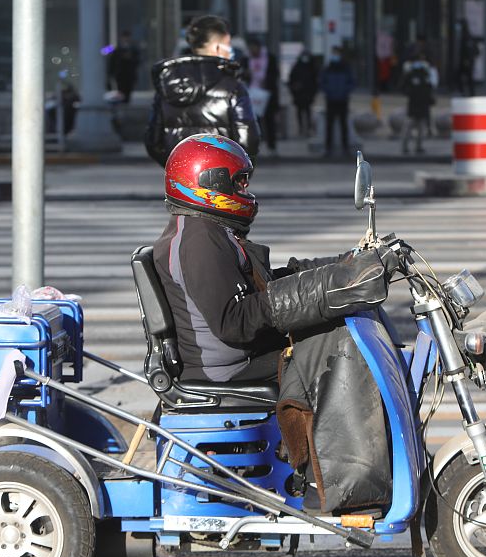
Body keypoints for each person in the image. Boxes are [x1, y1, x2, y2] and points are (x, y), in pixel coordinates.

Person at [152, 134, 397, 510]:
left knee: (336, 321)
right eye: (238, 183)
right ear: (208, 183)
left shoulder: (208, 230)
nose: (245, 191)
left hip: (237, 355)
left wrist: (345, 264)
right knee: (337, 343)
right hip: (228, 367)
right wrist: (321, 292)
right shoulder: (197, 240)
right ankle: (335, 482)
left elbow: (267, 283)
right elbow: (235, 321)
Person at [145, 15, 260, 166]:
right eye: (228, 45)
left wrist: (179, 168)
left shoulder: (167, 85)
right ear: (218, 47)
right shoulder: (232, 87)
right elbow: (248, 140)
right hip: (224, 173)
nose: (231, 52)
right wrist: (236, 172)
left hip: (181, 175)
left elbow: (153, 141)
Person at [318, 47, 355, 157]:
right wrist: (328, 91)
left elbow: (352, 82)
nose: (335, 56)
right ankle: (328, 148)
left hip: (343, 99)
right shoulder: (328, 68)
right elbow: (322, 82)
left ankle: (345, 148)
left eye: (337, 53)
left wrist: (345, 91)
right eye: (334, 53)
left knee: (344, 125)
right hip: (331, 99)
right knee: (329, 125)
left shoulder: (346, 68)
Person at [246, 40, 281, 155]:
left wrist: (267, 81)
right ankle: (256, 146)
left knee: (269, 121)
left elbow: (275, 75)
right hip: (251, 93)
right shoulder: (246, 59)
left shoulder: (270, 58)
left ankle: (272, 146)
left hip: (267, 94)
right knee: (255, 123)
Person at [401, 54, 437, 154]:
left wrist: (430, 100)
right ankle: (405, 146)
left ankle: (418, 146)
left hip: (422, 104)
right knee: (409, 126)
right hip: (414, 104)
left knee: (421, 128)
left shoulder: (426, 73)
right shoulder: (411, 73)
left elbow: (429, 88)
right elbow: (403, 87)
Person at [287, 50, 318, 138]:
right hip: (298, 94)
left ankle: (308, 128)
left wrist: (313, 92)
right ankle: (301, 128)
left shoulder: (312, 67)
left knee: (308, 111)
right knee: (299, 111)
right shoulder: (297, 67)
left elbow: (315, 82)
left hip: (308, 93)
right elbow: (291, 80)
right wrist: (294, 89)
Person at [106, 30, 139, 104]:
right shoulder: (117, 48)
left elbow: (137, 60)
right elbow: (109, 56)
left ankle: (126, 102)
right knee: (121, 90)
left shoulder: (133, 49)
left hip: (129, 74)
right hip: (120, 74)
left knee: (128, 90)